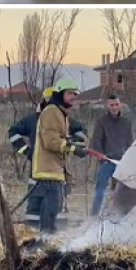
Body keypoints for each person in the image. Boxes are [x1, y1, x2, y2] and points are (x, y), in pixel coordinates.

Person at [8, 86, 87, 227]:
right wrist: (27, 151)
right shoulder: (32, 120)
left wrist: (71, 144)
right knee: (35, 204)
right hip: (37, 168)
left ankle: (50, 232)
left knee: (54, 203)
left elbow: (81, 132)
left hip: (56, 167)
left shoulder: (63, 118)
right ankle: (33, 232)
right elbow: (13, 132)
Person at [32, 78, 88, 233]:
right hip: (47, 167)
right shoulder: (52, 111)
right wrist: (72, 148)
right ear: (60, 93)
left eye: (75, 94)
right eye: (70, 93)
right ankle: (47, 236)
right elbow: (50, 141)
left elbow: (59, 138)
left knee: (53, 205)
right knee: (52, 205)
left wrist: (73, 142)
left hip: (55, 168)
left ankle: (45, 236)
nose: (73, 97)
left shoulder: (61, 114)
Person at [90, 95, 135, 216]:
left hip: (121, 163)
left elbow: (130, 143)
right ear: (107, 106)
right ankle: (94, 217)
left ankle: (118, 216)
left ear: (120, 105)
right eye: (111, 105)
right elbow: (97, 140)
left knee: (121, 193)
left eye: (116, 104)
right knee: (100, 192)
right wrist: (101, 156)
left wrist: (129, 159)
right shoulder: (101, 122)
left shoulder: (126, 123)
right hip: (106, 163)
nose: (114, 107)